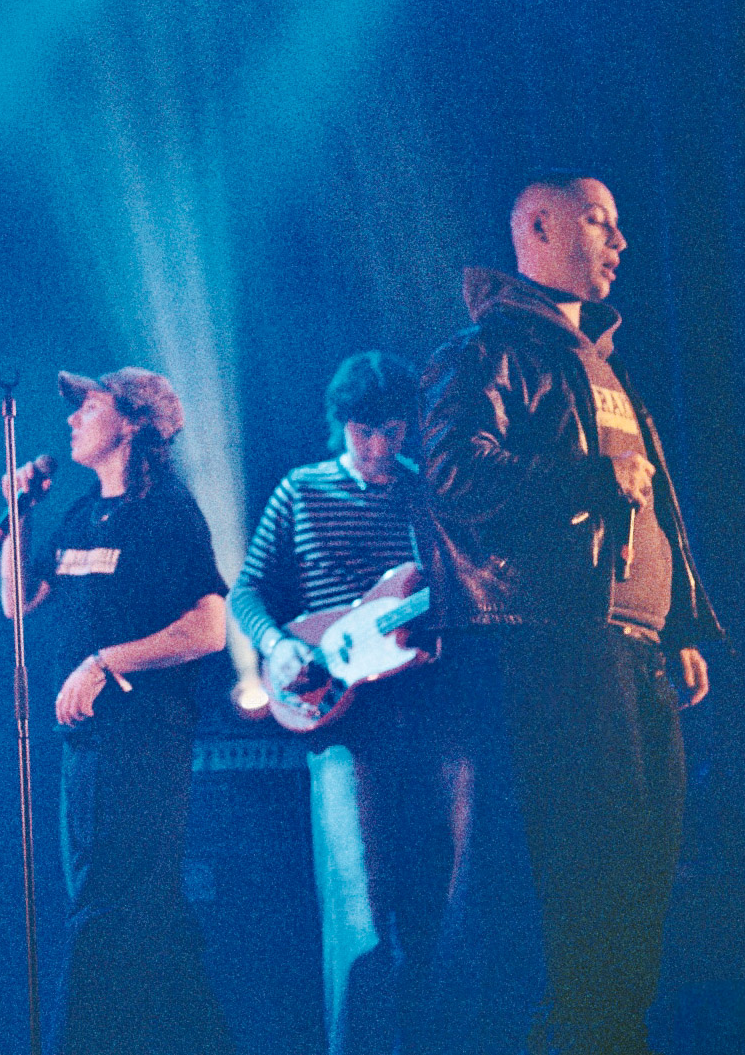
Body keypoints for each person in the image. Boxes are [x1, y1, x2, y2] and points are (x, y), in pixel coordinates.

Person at [418, 173, 724, 1055]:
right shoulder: (485, 352)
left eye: (619, 224)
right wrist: (588, 478)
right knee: (585, 872)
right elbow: (453, 474)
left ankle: (610, 1034)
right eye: (598, 221)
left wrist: (679, 622)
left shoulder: (601, 365)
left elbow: (654, 504)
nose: (619, 242)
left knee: (647, 864)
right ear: (539, 228)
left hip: (630, 644)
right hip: (551, 645)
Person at [231, 354, 538, 1055]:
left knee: (450, 905)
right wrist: (277, 646)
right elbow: (247, 591)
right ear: (340, 423)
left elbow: (467, 588)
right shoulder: (301, 489)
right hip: (342, 720)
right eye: (364, 431)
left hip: (434, 713)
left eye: (392, 431)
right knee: (359, 915)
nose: (378, 446)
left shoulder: (430, 494)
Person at [0, 367, 235, 1055]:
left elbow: (209, 627)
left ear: (132, 422)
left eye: (90, 406)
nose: (72, 419)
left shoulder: (167, 512)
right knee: (151, 921)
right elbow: (18, 601)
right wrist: (19, 514)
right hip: (85, 749)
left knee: (106, 914)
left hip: (143, 744)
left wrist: (107, 661)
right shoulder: (80, 515)